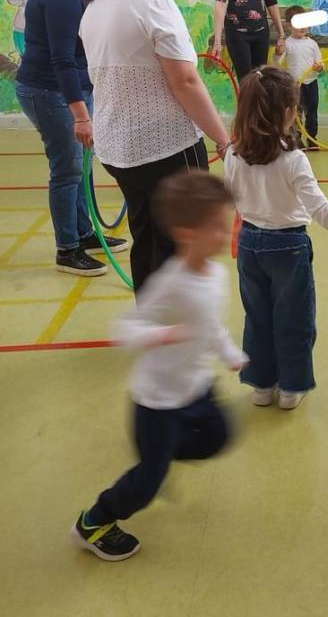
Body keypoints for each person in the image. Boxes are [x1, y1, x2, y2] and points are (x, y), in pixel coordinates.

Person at [71, 171, 245, 561]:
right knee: (146, 484)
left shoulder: (215, 273)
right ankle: (95, 521)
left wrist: (230, 352)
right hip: (158, 401)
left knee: (219, 438)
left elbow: (211, 323)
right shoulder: (170, 283)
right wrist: (161, 335)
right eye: (217, 228)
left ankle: (159, 459)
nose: (225, 234)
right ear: (186, 234)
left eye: (226, 224)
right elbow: (125, 328)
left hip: (196, 387)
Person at [223, 67, 328, 410]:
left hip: (250, 246)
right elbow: (321, 210)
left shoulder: (233, 153)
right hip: (288, 248)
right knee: (293, 319)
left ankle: (261, 385)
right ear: (287, 112)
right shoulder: (293, 160)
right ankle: (290, 388)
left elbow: (233, 200)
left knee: (257, 317)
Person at [80, 0, 232, 292]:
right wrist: (224, 141)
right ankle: (174, 332)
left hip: (118, 150)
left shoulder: (97, 4)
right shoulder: (153, 4)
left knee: (147, 236)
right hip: (166, 148)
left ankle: (151, 322)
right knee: (184, 245)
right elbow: (185, 81)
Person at [15, 0, 128, 276]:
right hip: (50, 92)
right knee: (66, 170)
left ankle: (83, 232)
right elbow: (62, 60)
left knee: (80, 167)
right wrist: (81, 115)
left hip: (73, 90)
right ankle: (67, 249)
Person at [282, 4, 324, 150]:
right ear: (289, 25)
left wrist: (319, 67)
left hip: (311, 83)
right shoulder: (287, 44)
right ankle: (296, 138)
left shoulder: (312, 44)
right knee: (296, 113)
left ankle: (312, 138)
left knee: (312, 112)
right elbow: (278, 61)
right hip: (295, 85)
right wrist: (278, 52)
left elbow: (320, 63)